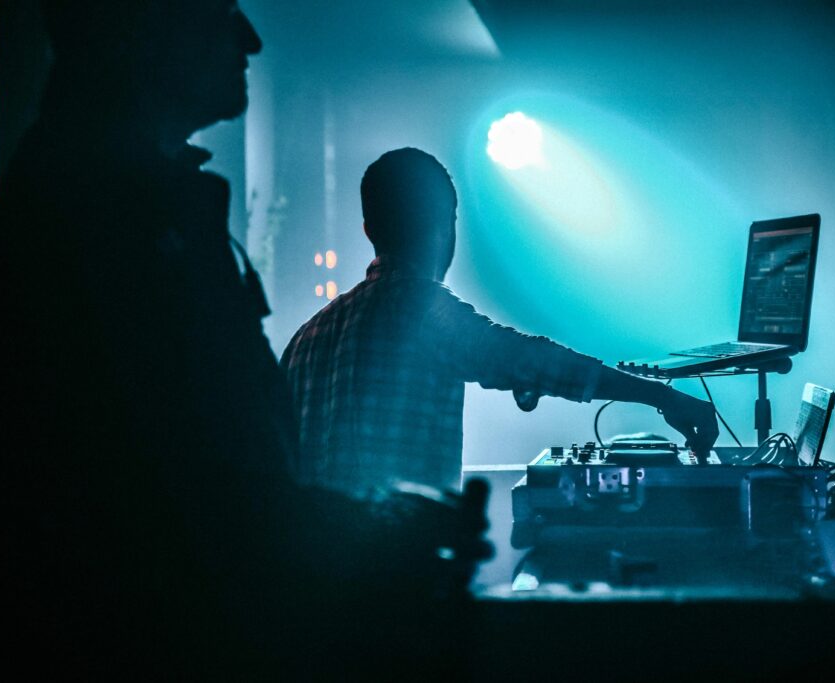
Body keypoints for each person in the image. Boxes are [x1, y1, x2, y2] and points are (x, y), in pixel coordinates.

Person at [0, 3, 487, 677]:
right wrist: (384, 525)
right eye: (216, 12)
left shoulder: (105, 211)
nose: (249, 37)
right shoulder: (105, 229)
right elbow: (185, 504)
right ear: (141, 30)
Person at [282, 147, 719, 494]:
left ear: (367, 230)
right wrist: (665, 398)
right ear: (446, 226)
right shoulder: (419, 311)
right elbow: (534, 360)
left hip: (312, 589)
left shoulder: (306, 338)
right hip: (401, 579)